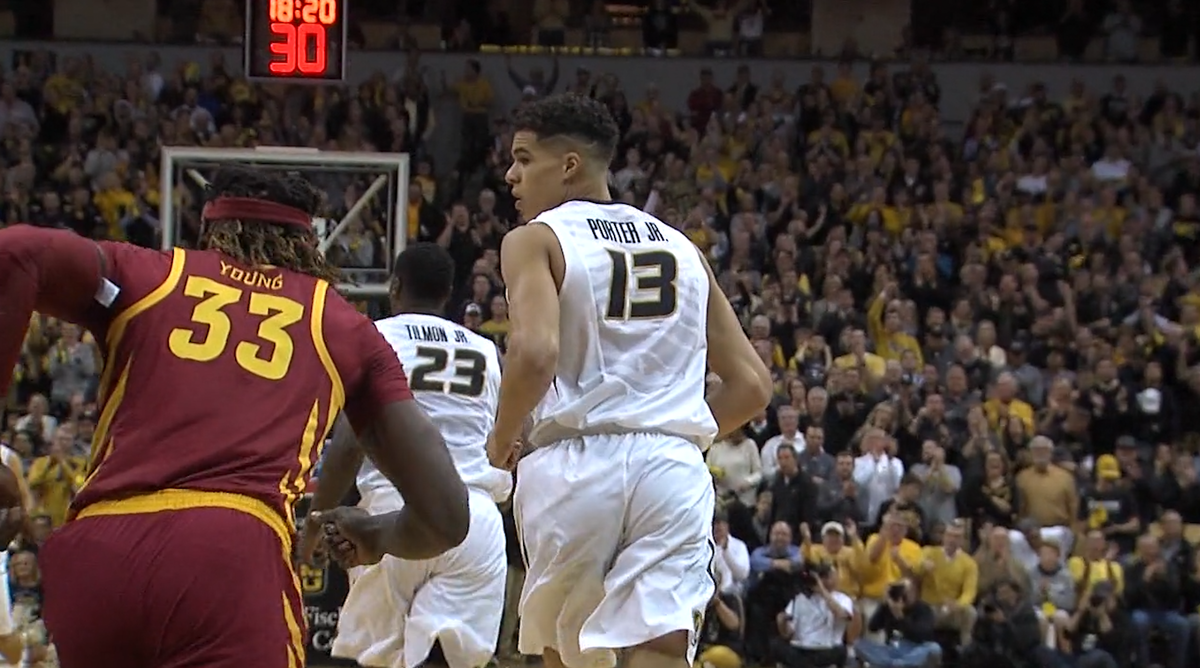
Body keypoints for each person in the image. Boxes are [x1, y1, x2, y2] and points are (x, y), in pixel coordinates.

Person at [0, 166, 472, 668]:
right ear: (309, 244)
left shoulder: (149, 273)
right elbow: (445, 517)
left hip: (100, 556)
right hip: (228, 553)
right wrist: (374, 535)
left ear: (208, 232)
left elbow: (15, 251)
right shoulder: (341, 324)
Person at [485, 93, 773, 668]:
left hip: (574, 463)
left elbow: (535, 352)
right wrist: (671, 433)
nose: (511, 175)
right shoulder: (683, 248)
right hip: (671, 465)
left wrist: (502, 438)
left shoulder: (535, 239)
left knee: (570, 652)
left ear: (569, 165)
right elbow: (751, 385)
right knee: (660, 646)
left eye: (523, 159)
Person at [302, 243, 512, 668]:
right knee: (448, 661)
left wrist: (315, 521)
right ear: (449, 293)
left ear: (394, 287)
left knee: (373, 659)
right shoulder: (487, 350)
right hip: (475, 516)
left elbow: (349, 442)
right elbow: (504, 442)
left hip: (394, 515)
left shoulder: (374, 338)